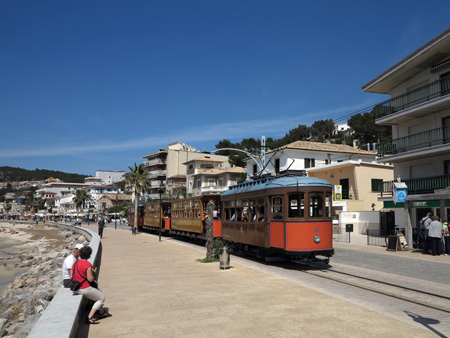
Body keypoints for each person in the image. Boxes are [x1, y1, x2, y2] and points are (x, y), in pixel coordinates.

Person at [72, 246, 111, 324]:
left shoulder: (75, 263)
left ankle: (102, 312)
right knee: (102, 298)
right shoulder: (87, 264)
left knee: (99, 291)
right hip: (84, 288)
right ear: (89, 256)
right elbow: (90, 279)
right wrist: (93, 273)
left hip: (76, 287)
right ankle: (90, 317)